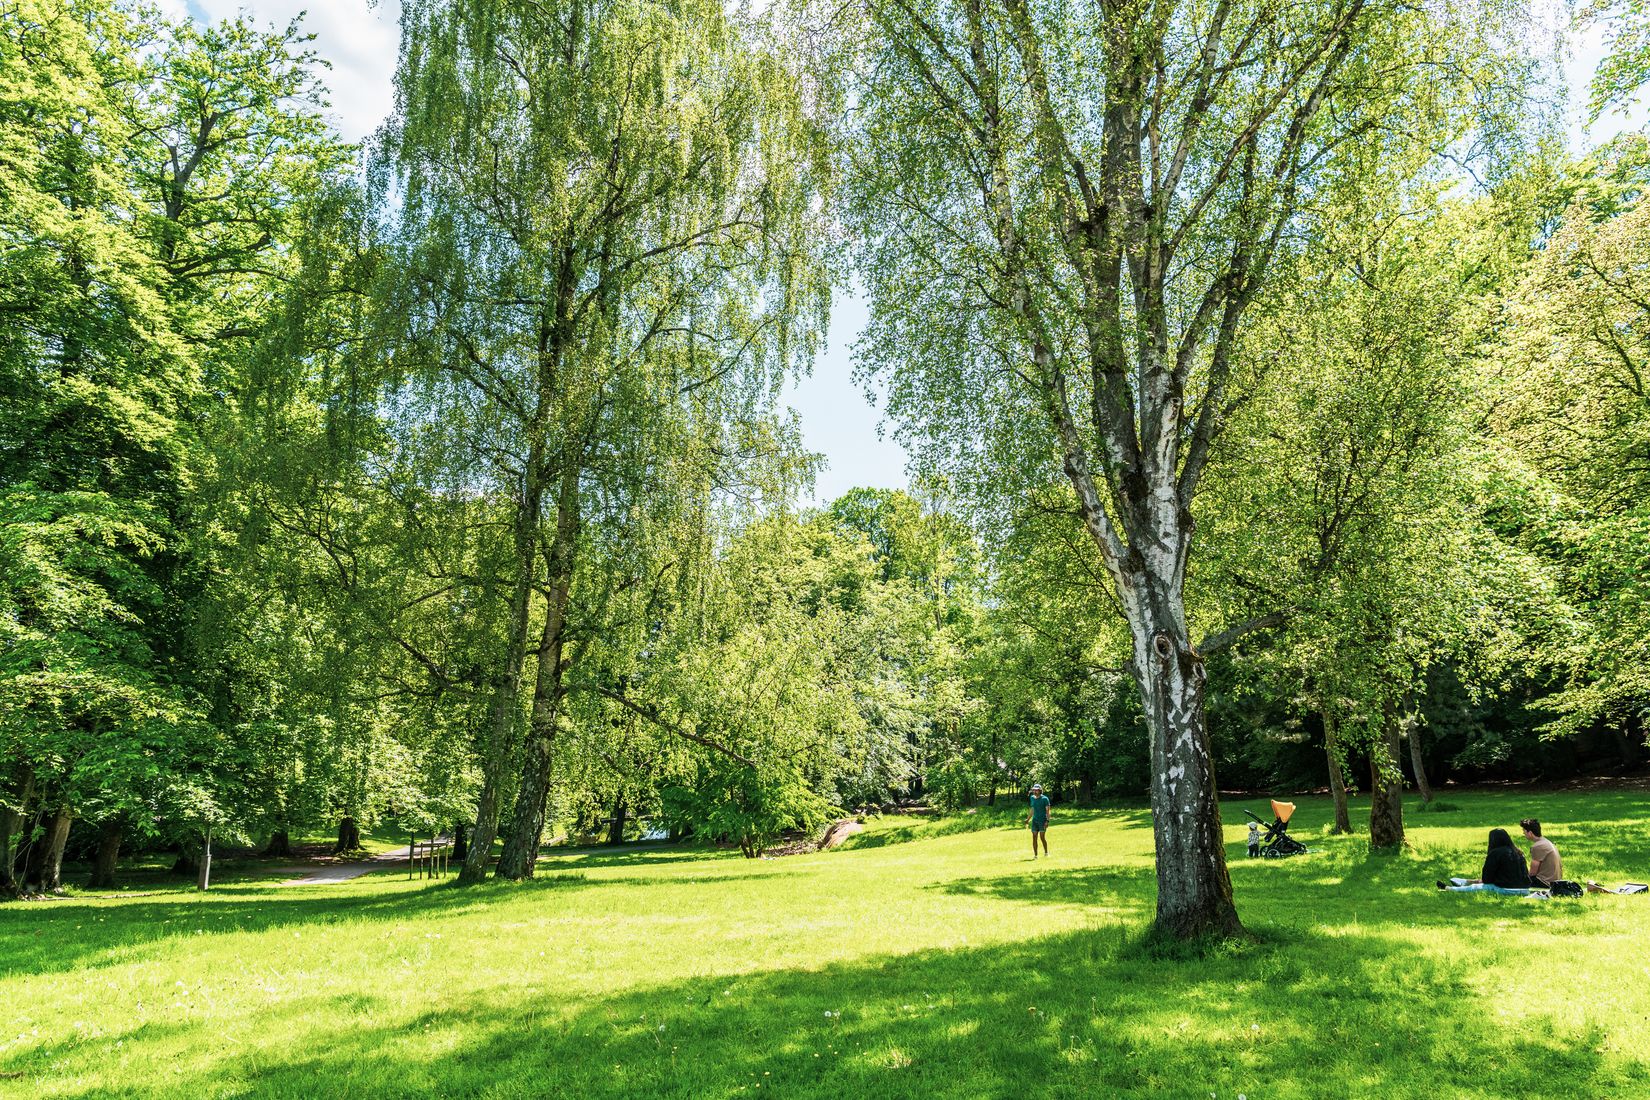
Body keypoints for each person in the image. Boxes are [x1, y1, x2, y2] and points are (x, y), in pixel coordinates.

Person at [1438, 828, 1530, 894]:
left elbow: (1486, 879)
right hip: (1525, 889)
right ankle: (1463, 882)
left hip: (1506, 889)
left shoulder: (1495, 853)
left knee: (1475, 888)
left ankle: (1450, 889)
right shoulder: (1519, 853)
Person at [1521, 818, 1563, 886]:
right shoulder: (1546, 841)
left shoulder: (1537, 846)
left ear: (1530, 833)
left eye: (1524, 832)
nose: (1523, 833)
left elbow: (1532, 873)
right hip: (1556, 881)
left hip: (1544, 883)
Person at [1026, 783, 1050, 859]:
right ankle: (1035, 855)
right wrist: (1028, 819)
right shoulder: (1032, 798)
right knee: (1034, 837)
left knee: (1042, 837)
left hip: (1042, 820)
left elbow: (1048, 811)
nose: (1035, 792)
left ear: (1040, 791)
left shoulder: (1045, 799)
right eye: (1034, 790)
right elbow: (1032, 810)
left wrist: (1047, 821)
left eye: (1036, 790)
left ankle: (1046, 852)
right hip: (1035, 821)